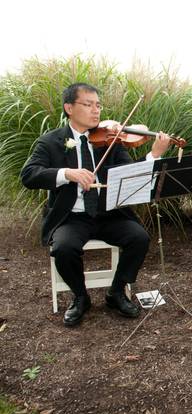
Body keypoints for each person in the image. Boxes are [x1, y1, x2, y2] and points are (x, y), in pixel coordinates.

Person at [21, 83, 171, 327]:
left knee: (139, 238)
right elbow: (29, 175)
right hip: (72, 216)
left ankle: (116, 291)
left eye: (98, 105)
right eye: (88, 105)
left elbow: (131, 173)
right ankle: (80, 296)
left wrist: (154, 154)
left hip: (108, 213)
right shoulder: (51, 141)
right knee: (64, 248)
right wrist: (66, 173)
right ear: (69, 108)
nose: (96, 111)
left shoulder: (111, 140)